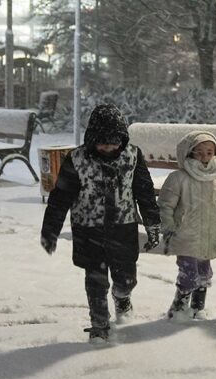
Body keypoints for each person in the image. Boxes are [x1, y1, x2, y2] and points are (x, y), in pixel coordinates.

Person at [40, 104, 161, 342]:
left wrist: (152, 223)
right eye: (102, 142)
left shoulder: (132, 157)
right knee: (95, 281)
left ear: (123, 139)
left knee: (127, 278)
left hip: (123, 228)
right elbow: (60, 197)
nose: (109, 147)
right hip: (88, 230)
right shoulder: (77, 159)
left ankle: (122, 296)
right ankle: (99, 325)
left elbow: (144, 192)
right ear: (92, 139)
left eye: (114, 141)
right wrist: (50, 230)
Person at [158, 131, 216, 320]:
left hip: (209, 237)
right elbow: (165, 205)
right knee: (189, 274)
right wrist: (168, 227)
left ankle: (197, 307)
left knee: (204, 273)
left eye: (209, 152)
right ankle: (178, 308)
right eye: (199, 152)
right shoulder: (178, 178)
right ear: (188, 153)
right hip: (185, 236)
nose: (204, 156)